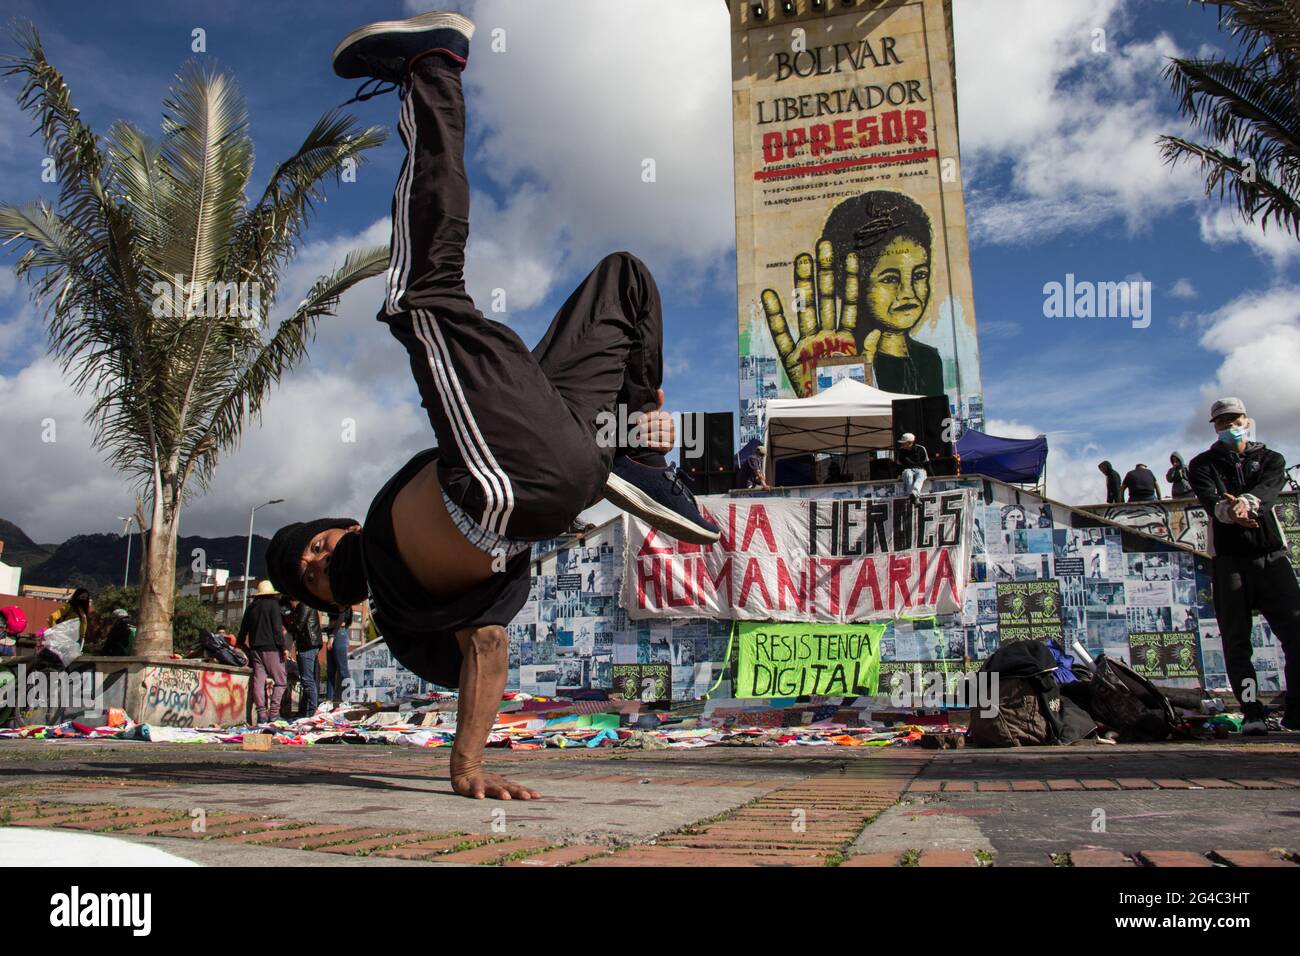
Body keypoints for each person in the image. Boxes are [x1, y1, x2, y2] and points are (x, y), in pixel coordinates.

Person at [265, 10, 719, 801]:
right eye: (309, 577)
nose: (314, 560)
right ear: (332, 605)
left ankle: (641, 462)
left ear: (334, 524)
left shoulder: (376, 514)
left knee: (624, 280)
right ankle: (433, 67)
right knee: (418, 295)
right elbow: (486, 645)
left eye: (308, 546)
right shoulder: (404, 626)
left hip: (546, 446)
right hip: (506, 495)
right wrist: (467, 765)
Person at [1189, 397, 1300, 735]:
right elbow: (1211, 502)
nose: (1230, 427)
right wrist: (1230, 512)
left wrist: (1247, 506)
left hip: (1272, 557)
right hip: (1229, 563)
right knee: (1237, 642)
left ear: (1247, 421)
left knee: (1296, 633)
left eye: (1235, 420)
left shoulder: (1272, 459)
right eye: (1222, 423)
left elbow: (1267, 492)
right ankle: (1252, 711)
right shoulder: (1202, 464)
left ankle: (1296, 711)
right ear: (1215, 427)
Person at [236, 580, 287, 724]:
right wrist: (282, 647)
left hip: (255, 650)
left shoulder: (251, 607)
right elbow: (277, 629)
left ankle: (261, 715)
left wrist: (239, 645)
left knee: (259, 681)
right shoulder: (274, 605)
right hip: (271, 649)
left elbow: (243, 630)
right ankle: (274, 713)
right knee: (281, 681)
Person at [289, 599, 324, 717]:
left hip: (307, 645)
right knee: (308, 680)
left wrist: (289, 626)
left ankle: (312, 710)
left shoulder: (304, 605)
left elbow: (299, 626)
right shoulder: (308, 604)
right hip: (310, 644)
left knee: (307, 680)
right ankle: (309, 710)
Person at [325, 606, 352, 704]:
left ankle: (347, 699)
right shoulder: (333, 601)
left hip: (338, 634)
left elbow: (342, 618)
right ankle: (329, 700)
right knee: (330, 671)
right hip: (332, 633)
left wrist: (333, 635)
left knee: (343, 669)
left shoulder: (344, 602)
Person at [896, 432, 930, 502]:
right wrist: (898, 474)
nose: (902, 444)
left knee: (921, 475)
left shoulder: (921, 449)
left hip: (920, 469)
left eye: (903, 443)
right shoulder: (901, 451)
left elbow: (926, 462)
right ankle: (914, 498)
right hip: (907, 469)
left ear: (910, 443)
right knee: (908, 474)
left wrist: (931, 475)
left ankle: (914, 494)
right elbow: (899, 465)